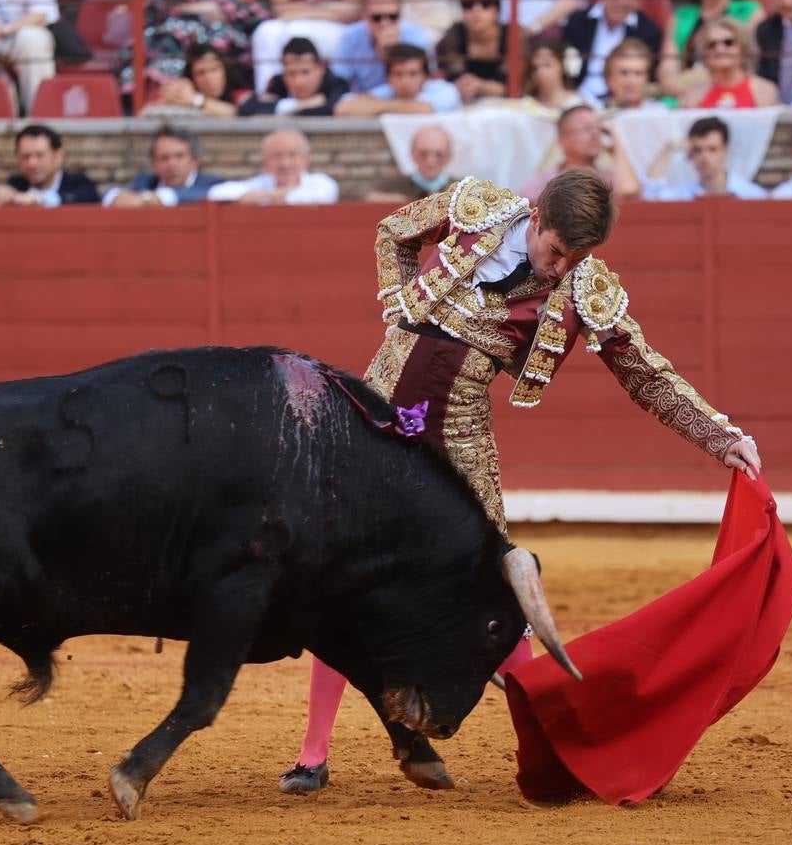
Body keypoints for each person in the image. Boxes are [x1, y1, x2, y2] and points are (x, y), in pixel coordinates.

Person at [276, 167, 761, 795]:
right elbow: (394, 231)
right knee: (337, 578)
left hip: (459, 441)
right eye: (557, 250)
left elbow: (645, 373)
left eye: (577, 258)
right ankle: (313, 755)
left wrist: (721, 437)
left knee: (501, 596)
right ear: (535, 218)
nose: (561, 269)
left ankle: (553, 747)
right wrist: (398, 305)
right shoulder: (476, 209)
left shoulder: (584, 287)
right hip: (378, 422)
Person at [118, 0, 269, 99]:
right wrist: (200, 9)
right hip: (169, 41)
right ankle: (169, 93)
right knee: (167, 38)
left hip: (224, 41)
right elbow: (154, 6)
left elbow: (248, 11)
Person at [249, 0, 362, 93]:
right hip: (295, 23)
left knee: (353, 35)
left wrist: (307, 10)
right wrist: (324, 8)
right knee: (266, 31)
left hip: (336, 25)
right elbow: (280, 7)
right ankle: (267, 94)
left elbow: (353, 8)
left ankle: (339, 95)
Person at [518, 104, 641, 201]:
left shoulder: (610, 179)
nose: (595, 134)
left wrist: (617, 147)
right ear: (562, 139)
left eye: (598, 128)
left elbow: (629, 192)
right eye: (587, 129)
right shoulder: (541, 186)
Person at [563, 0, 663, 104]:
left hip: (622, 101)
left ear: (639, 0)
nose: (622, 1)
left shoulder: (648, 31)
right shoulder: (578, 21)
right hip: (577, 97)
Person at [658, 0, 765, 95]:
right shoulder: (681, 16)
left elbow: (748, 62)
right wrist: (688, 93)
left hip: (735, 93)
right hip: (683, 98)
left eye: (728, 42)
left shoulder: (749, 10)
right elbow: (668, 71)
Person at [332, 0, 434, 93]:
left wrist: (393, 53)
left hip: (408, 101)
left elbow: (428, 81)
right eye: (377, 18)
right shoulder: (350, 37)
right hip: (366, 102)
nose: (385, 24)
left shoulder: (417, 37)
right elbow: (338, 80)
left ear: (401, 14)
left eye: (393, 17)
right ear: (364, 16)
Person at [642, 116, 768, 199]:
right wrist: (669, 149)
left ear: (725, 151)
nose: (704, 156)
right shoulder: (682, 195)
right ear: (690, 153)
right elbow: (649, 194)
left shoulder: (751, 194)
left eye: (712, 149)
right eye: (698, 150)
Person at [208, 128, 341, 204]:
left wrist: (256, 198)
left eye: (292, 155)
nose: (285, 164)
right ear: (265, 161)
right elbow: (216, 194)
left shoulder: (320, 182)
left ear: (306, 159)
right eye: (277, 156)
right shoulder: (261, 183)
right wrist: (274, 194)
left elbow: (315, 198)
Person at [102, 126, 225, 207]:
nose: (171, 164)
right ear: (154, 164)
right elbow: (109, 194)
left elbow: (207, 194)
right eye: (164, 158)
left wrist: (150, 199)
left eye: (179, 156)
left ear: (194, 161)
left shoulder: (212, 184)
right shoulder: (146, 182)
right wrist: (117, 198)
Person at [0, 124, 100, 206]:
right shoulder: (16, 185)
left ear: (58, 156)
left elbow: (87, 198)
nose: (32, 163)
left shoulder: (80, 184)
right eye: (25, 157)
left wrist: (39, 199)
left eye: (39, 155)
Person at [437, 0, 517, 104]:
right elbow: (452, 77)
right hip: (464, 106)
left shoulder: (512, 35)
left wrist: (482, 87)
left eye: (485, 4)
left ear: (496, 8)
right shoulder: (454, 34)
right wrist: (465, 85)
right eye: (468, 5)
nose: (476, 10)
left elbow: (517, 85)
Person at [677, 17, 779, 108]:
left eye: (728, 43)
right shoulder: (693, 95)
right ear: (705, 54)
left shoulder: (764, 90)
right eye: (711, 45)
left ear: (744, 48)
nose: (720, 49)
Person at [335, 42, 462, 114]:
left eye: (413, 74)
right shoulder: (386, 92)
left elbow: (422, 110)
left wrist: (377, 108)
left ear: (426, 76)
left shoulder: (445, 90)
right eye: (398, 74)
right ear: (387, 77)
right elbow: (343, 109)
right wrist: (397, 105)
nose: (405, 82)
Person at [238, 36, 351, 115]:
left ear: (320, 68)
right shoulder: (278, 82)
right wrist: (298, 105)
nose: (299, 81)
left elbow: (331, 110)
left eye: (305, 72)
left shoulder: (337, 84)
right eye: (291, 73)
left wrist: (280, 109)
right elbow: (246, 109)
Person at [144, 44, 251, 117]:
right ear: (192, 79)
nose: (209, 78)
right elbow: (145, 114)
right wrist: (167, 101)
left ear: (225, 70)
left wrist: (195, 100)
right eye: (201, 73)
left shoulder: (240, 95)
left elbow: (238, 114)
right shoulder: (184, 96)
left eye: (214, 69)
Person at [366, 125, 457, 201]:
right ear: (412, 154)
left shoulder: (461, 190)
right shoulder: (390, 188)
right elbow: (362, 197)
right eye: (423, 154)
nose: (431, 162)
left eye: (439, 155)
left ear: (449, 156)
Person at [520, 37, 597, 112]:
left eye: (547, 65)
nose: (540, 72)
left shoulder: (582, 105)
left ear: (563, 66)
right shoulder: (524, 107)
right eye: (534, 68)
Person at [601, 38, 663, 110]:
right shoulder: (594, 112)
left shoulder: (661, 113)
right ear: (609, 78)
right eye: (624, 73)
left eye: (638, 74)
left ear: (647, 78)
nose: (631, 81)